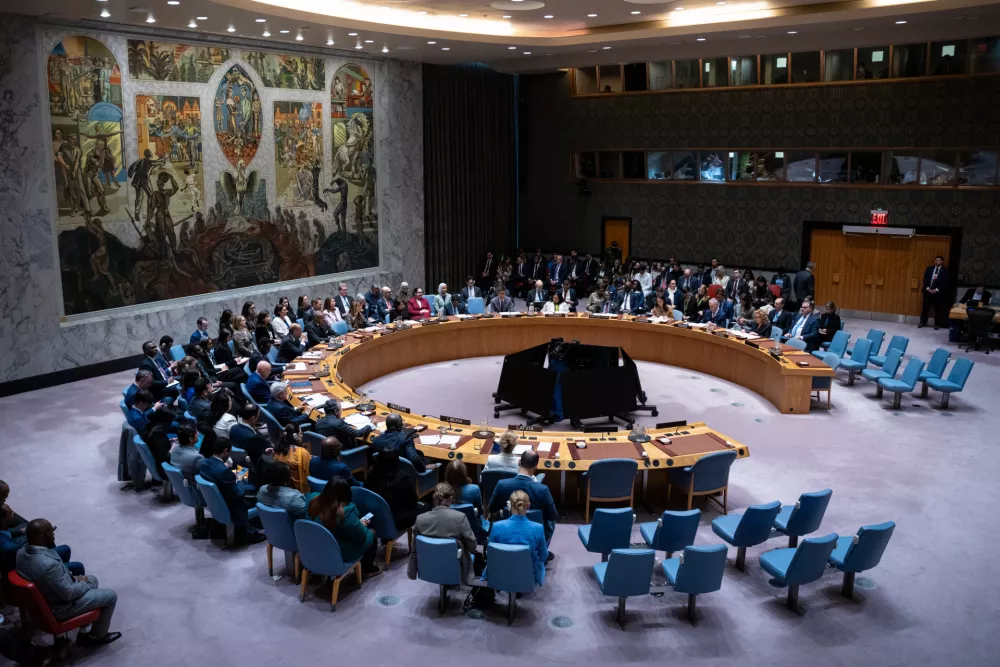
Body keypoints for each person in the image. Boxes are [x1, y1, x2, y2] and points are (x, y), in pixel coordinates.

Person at [16, 519, 121, 646]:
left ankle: (84, 629)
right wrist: (83, 584)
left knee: (92, 579)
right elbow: (69, 593)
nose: (54, 535)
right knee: (110, 596)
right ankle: (95, 637)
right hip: (62, 606)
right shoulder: (48, 565)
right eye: (51, 532)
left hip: (50, 594)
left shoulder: (21, 553)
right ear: (41, 537)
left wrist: (80, 582)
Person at [198, 437, 265, 543]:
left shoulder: (204, 463)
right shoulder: (224, 472)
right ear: (225, 451)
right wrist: (241, 481)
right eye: (229, 452)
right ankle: (251, 531)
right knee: (259, 487)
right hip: (233, 502)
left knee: (244, 471)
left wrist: (238, 475)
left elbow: (225, 477)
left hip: (221, 490)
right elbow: (238, 494)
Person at [309, 478, 381, 577]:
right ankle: (368, 568)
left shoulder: (315, 501)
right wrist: (362, 525)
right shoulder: (346, 513)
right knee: (371, 532)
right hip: (341, 551)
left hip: (321, 549)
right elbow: (361, 535)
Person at [408, 483, 478, 585]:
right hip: (454, 566)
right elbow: (472, 545)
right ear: (451, 498)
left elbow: (414, 549)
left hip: (428, 566)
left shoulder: (420, 520)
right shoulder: (460, 518)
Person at [488, 451, 558, 545]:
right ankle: (541, 548)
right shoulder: (542, 490)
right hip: (534, 534)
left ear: (519, 462)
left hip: (507, 531)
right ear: (536, 467)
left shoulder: (502, 485)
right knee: (551, 522)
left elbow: (492, 509)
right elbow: (553, 515)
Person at [488, 490, 548, 586]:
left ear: (509, 506)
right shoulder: (538, 528)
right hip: (528, 577)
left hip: (501, 573)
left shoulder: (497, 526)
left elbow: (490, 554)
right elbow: (543, 556)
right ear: (528, 506)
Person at [363, 449, 426, 532]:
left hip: (376, 515)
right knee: (426, 507)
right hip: (397, 520)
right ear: (397, 461)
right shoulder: (404, 479)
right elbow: (413, 501)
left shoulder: (371, 473)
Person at [229, 403, 273, 483]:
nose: (259, 418)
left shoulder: (233, 428)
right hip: (251, 471)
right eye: (258, 416)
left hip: (238, 468)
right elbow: (259, 460)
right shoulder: (252, 438)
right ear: (252, 418)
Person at [272, 424, 311, 493]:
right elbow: (308, 472)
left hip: (280, 487)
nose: (302, 435)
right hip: (297, 491)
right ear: (295, 436)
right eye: (300, 433)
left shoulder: (277, 449)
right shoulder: (302, 453)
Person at [919, 255, 950, 329]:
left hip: (938, 293)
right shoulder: (929, 269)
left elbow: (945, 282)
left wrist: (936, 290)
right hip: (928, 291)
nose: (937, 261)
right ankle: (923, 322)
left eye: (939, 260)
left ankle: (937, 324)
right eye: (936, 260)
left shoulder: (945, 271)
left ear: (942, 262)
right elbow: (925, 279)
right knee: (925, 308)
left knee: (937, 309)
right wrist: (927, 288)